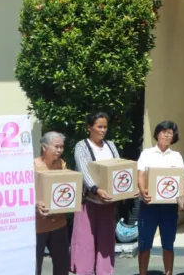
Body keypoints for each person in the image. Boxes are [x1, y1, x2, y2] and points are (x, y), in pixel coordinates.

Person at [71, 112, 127, 275]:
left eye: (105, 127)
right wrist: (96, 189)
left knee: (106, 241)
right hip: (89, 200)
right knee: (85, 241)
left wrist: (125, 187)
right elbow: (84, 169)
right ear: (89, 128)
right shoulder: (82, 146)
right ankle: (84, 272)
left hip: (108, 201)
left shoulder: (110, 145)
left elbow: (118, 166)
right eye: (99, 127)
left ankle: (105, 271)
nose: (103, 130)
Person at [137, 120, 184, 275]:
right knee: (144, 244)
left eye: (169, 132)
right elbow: (141, 175)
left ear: (173, 137)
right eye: (163, 131)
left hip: (169, 207)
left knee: (168, 244)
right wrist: (143, 190)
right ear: (157, 134)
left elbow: (180, 180)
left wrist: (182, 196)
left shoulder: (176, 156)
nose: (166, 135)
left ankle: (168, 273)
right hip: (148, 205)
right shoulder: (147, 153)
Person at [35, 131, 70, 275]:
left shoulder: (61, 164)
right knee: (35, 266)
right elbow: (24, 193)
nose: (59, 150)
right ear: (44, 147)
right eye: (56, 147)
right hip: (38, 226)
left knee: (62, 265)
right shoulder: (33, 166)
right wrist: (35, 204)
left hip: (59, 223)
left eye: (61, 147)